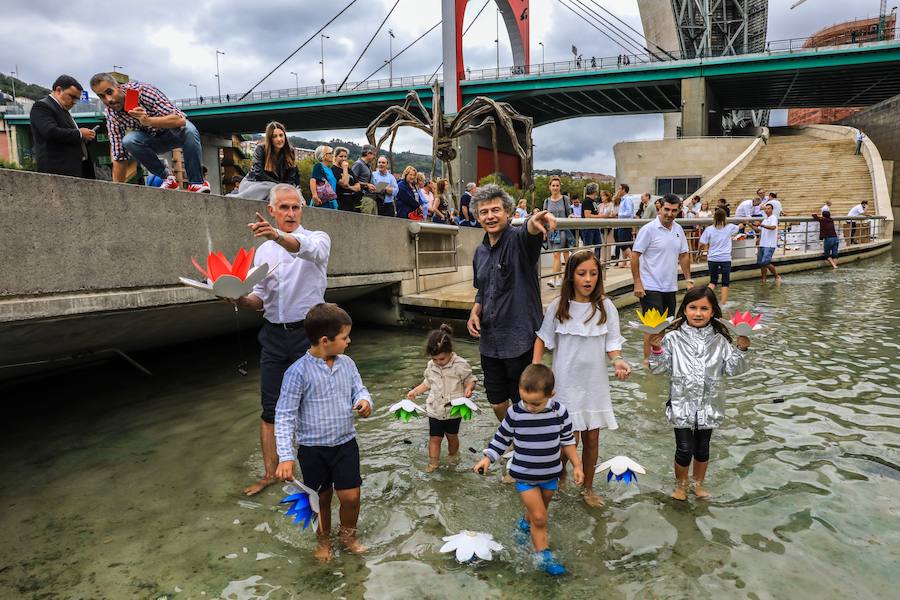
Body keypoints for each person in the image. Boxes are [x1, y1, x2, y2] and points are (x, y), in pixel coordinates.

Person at [233, 184, 331, 496]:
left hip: (310, 334)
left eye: (295, 207)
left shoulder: (318, 238)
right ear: (272, 211)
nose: (290, 213)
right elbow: (259, 298)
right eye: (284, 208)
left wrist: (277, 236)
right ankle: (270, 474)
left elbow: (306, 249)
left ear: (302, 210)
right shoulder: (263, 251)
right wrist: (235, 298)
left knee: (313, 407)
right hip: (274, 335)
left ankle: (316, 475)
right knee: (270, 408)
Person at [274, 302, 372, 562]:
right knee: (321, 499)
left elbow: (359, 389)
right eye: (344, 337)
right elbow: (284, 416)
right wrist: (285, 456)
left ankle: (348, 536)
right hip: (312, 449)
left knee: (351, 496)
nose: (349, 341)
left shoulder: (347, 364)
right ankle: (323, 539)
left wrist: (365, 401)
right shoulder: (297, 373)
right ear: (325, 340)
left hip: (345, 443)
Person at [533, 250, 630, 507]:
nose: (588, 279)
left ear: (599, 276)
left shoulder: (606, 306)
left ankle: (588, 487)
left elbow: (612, 344)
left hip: (594, 384)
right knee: (568, 438)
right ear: (571, 276)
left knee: (592, 437)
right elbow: (543, 338)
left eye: (593, 274)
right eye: (581, 273)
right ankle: (559, 473)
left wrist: (618, 360)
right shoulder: (559, 306)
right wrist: (535, 369)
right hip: (565, 382)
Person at [473, 364, 582, 576]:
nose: (530, 407)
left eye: (536, 403)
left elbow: (568, 441)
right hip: (524, 476)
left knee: (537, 514)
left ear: (551, 394)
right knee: (541, 518)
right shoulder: (515, 413)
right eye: (525, 401)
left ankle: (524, 524)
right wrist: (487, 459)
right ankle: (543, 557)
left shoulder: (560, 412)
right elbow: (501, 439)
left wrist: (577, 466)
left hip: (550, 475)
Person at [649, 287, 750, 500]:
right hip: (681, 400)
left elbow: (733, 369)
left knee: (702, 448)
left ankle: (698, 484)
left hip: (709, 402)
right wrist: (657, 349)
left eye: (704, 308)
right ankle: (681, 485)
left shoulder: (720, 340)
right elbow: (658, 368)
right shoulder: (673, 338)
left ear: (713, 312)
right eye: (693, 307)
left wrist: (741, 349)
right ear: (684, 310)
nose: (698, 313)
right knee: (684, 449)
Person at [467, 184, 556, 422]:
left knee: (525, 399)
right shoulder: (480, 253)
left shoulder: (519, 241)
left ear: (508, 212)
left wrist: (536, 220)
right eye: (484, 212)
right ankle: (514, 436)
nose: (490, 216)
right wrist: (475, 312)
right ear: (477, 217)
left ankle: (526, 442)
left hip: (520, 339)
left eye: (496, 210)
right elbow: (482, 289)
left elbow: (530, 230)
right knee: (496, 401)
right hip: (490, 340)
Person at [89, 73, 208, 192]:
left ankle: (196, 183)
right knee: (129, 141)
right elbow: (119, 155)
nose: (108, 100)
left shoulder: (143, 91)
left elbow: (180, 120)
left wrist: (148, 121)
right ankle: (167, 178)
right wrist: (116, 191)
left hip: (174, 133)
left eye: (110, 92)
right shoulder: (112, 114)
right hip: (153, 141)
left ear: (119, 87)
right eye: (102, 96)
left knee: (188, 129)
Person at [632, 193, 694, 362]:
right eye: (666, 209)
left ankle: (658, 358)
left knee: (665, 326)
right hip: (650, 286)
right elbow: (635, 255)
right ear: (659, 208)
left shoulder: (678, 229)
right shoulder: (648, 229)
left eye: (674, 210)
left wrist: (688, 280)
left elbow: (684, 255)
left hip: (670, 286)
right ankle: (647, 361)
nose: (669, 213)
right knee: (651, 327)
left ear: (679, 210)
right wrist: (637, 282)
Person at [406, 324, 477, 472]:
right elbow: (427, 383)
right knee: (435, 438)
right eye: (435, 359)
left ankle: (453, 455)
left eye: (441, 359)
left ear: (450, 351)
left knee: (452, 436)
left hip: (453, 410)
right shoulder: (431, 365)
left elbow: (471, 379)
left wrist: (469, 388)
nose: (438, 362)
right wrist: (415, 391)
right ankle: (433, 462)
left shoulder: (460, 365)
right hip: (435, 409)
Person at [30, 74, 96, 179]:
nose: (74, 102)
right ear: (58, 90)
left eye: (77, 99)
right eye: (72, 96)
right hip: (58, 172)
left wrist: (84, 137)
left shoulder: (62, 109)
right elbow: (50, 132)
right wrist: (80, 133)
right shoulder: (42, 106)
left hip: (73, 171)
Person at [699, 208, 741, 304]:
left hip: (712, 258)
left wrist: (699, 252)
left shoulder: (709, 229)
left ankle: (704, 300)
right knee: (725, 282)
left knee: (713, 281)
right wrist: (745, 221)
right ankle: (723, 302)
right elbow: (740, 227)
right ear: (725, 217)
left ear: (714, 217)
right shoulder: (730, 227)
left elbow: (702, 243)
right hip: (725, 258)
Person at [244, 121, 299, 187]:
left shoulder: (290, 151)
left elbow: (290, 178)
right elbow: (258, 173)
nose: (279, 139)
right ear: (269, 138)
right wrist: (279, 186)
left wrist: (285, 188)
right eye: (274, 136)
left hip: (277, 187)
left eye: (281, 135)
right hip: (255, 184)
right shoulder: (260, 149)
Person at [543, 176, 573, 288]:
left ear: (560, 187)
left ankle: (553, 278)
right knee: (558, 255)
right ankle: (560, 278)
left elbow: (569, 213)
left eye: (557, 185)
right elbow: (544, 216)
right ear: (549, 187)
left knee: (556, 254)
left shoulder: (565, 199)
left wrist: (571, 217)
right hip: (551, 231)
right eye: (553, 185)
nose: (555, 188)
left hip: (563, 230)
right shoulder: (547, 201)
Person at [749, 202, 781, 283]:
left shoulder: (773, 218)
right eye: (765, 209)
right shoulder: (765, 219)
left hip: (769, 244)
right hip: (762, 243)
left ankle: (777, 276)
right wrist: (749, 224)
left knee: (765, 262)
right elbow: (758, 229)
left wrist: (761, 225)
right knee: (762, 263)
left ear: (772, 210)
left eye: (768, 209)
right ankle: (763, 279)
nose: (766, 210)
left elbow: (773, 227)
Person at [612, 184, 636, 269]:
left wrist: (618, 214)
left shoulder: (627, 199)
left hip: (625, 225)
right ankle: (625, 262)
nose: (618, 190)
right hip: (623, 224)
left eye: (619, 189)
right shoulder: (623, 200)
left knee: (623, 244)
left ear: (624, 190)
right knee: (624, 244)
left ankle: (634, 261)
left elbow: (629, 213)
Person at [351, 145, 379, 214]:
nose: (375, 157)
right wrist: (367, 185)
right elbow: (352, 180)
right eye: (374, 155)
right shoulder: (358, 164)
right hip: (363, 198)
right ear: (368, 153)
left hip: (371, 198)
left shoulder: (367, 165)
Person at [333, 146, 362, 213]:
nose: (343, 159)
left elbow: (358, 186)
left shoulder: (349, 170)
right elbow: (345, 183)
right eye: (341, 156)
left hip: (352, 200)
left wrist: (349, 187)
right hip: (341, 201)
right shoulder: (333, 170)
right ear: (335, 157)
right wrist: (345, 168)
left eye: (345, 156)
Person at [580, 183, 603, 257]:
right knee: (588, 247)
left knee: (598, 245)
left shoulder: (593, 202)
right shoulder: (587, 201)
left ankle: (596, 262)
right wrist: (601, 216)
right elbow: (587, 215)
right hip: (588, 228)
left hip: (594, 227)